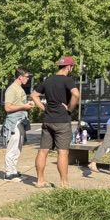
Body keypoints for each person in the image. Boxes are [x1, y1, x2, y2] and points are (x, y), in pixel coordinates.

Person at [31, 56, 80, 188]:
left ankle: (40, 181)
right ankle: (64, 182)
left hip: (47, 120)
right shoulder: (67, 80)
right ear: (69, 67)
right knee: (63, 152)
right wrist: (69, 109)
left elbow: (34, 95)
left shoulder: (48, 81)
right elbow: (76, 94)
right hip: (62, 121)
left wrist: (44, 108)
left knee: (43, 151)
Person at [2, 68, 31, 181]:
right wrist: (24, 106)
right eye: (26, 77)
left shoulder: (20, 89)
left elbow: (20, 104)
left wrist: (28, 104)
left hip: (21, 121)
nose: (27, 79)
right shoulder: (11, 89)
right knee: (12, 147)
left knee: (18, 147)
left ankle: (13, 171)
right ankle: (8, 173)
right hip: (13, 122)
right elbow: (7, 107)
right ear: (20, 76)